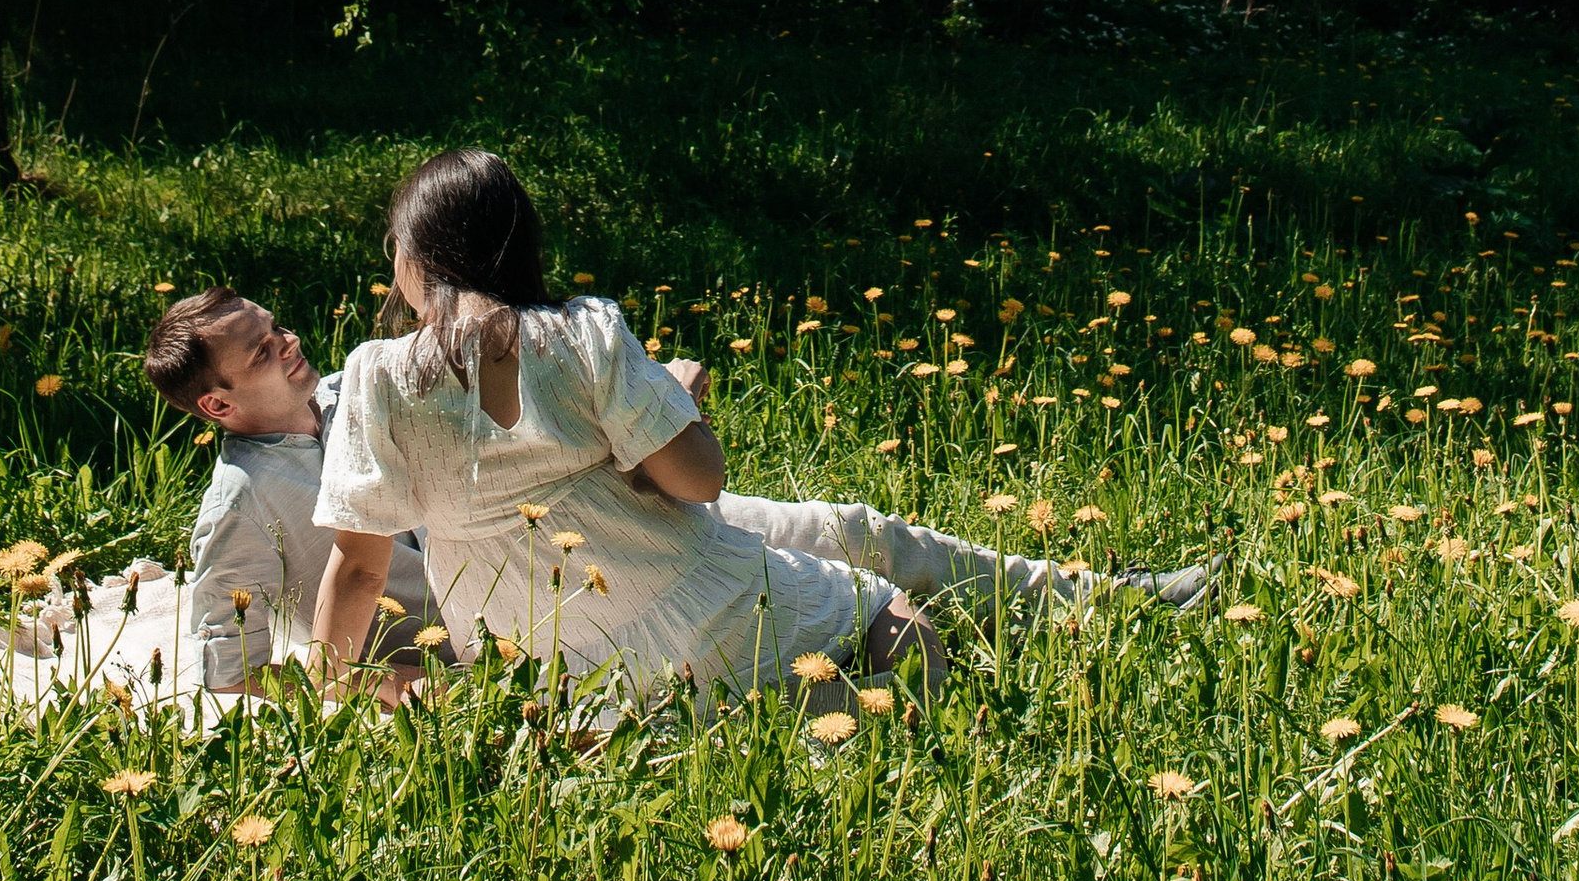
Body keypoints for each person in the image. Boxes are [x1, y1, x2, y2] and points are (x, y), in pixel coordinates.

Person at [305, 147, 1208, 716]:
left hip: (559, 676)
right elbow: (697, 482)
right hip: (705, 599)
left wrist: (328, 697)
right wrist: (676, 403)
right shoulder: (580, 334)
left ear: (418, 261)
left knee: (842, 542)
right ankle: (883, 723)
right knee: (891, 618)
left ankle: (764, 725)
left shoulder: (377, 378)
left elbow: (360, 567)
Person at [141, 288, 442, 701]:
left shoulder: (353, 393)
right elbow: (230, 673)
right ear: (217, 405)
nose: (290, 340)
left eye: (276, 326)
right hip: (443, 662)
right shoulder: (240, 503)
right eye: (262, 352)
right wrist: (380, 681)